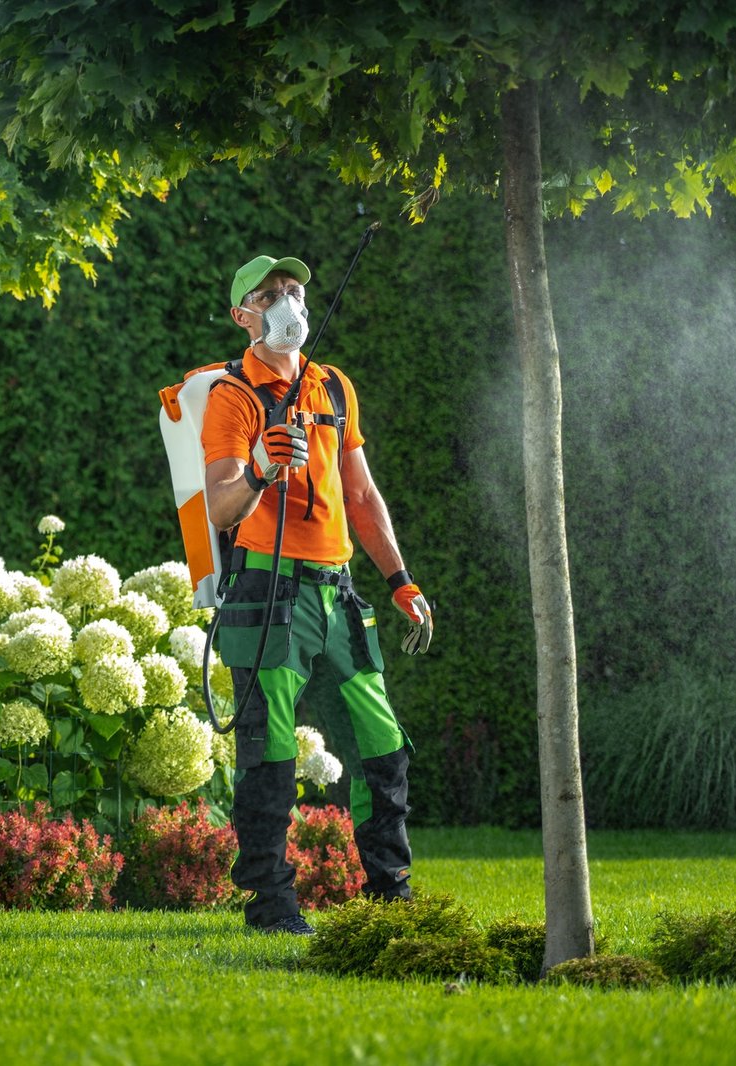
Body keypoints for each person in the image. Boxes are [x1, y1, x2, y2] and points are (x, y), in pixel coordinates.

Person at [201, 253, 434, 935]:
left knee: (382, 743)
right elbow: (219, 508)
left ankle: (390, 890)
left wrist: (400, 580)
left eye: (295, 291)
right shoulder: (232, 397)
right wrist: (263, 469)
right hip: (267, 596)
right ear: (243, 314)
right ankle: (271, 903)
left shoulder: (332, 387)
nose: (287, 303)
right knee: (270, 753)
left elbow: (360, 495)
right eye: (269, 294)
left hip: (339, 591)